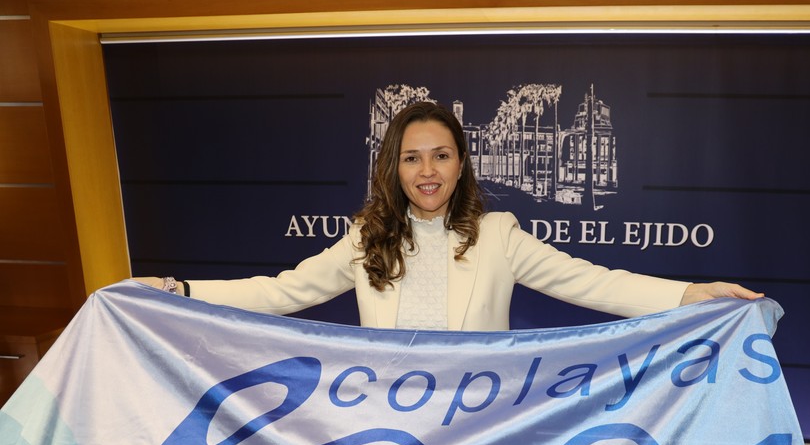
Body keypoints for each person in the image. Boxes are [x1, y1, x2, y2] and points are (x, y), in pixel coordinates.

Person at [135, 101, 762, 330]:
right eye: (412, 158)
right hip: (387, 424)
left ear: (461, 164)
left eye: (441, 155)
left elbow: (597, 283)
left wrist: (691, 295)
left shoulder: (499, 236)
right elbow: (279, 293)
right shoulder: (364, 240)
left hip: (478, 429)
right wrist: (179, 289)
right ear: (394, 168)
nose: (427, 171)